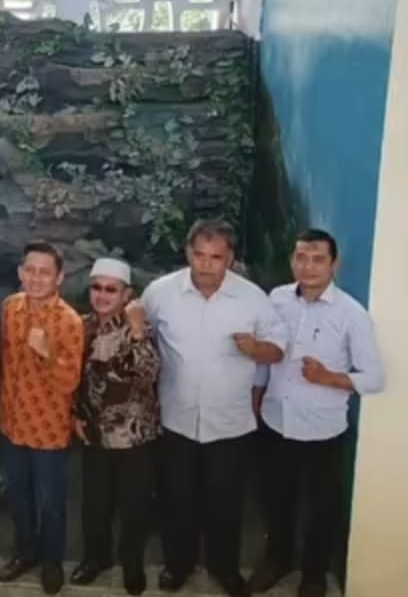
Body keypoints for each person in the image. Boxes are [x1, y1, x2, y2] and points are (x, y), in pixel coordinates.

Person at [134, 219, 287, 597]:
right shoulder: (161, 293)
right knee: (176, 499)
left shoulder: (253, 299)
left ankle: (224, 569)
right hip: (175, 419)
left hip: (230, 423)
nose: (205, 264)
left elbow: (278, 349)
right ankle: (178, 565)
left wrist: (257, 349)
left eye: (216, 257)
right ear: (188, 252)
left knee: (226, 504)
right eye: (199, 255)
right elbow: (141, 334)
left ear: (230, 258)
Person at [248, 230, 384, 597]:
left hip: (322, 431)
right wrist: (256, 399)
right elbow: (265, 359)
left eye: (318, 259)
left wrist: (328, 378)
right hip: (275, 422)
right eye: (301, 258)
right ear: (292, 260)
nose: (308, 267)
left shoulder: (351, 314)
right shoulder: (276, 300)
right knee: (276, 500)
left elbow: (374, 378)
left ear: (334, 264)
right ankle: (277, 560)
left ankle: (313, 574)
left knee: (322, 510)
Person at [0, 242, 84, 594]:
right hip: (11, 423)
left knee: (51, 503)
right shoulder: (10, 308)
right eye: (30, 270)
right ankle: (24, 553)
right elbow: (2, 365)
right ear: (20, 272)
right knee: (18, 497)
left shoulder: (69, 321)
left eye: (45, 272)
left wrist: (46, 354)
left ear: (59, 277)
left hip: (48, 429)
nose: (36, 278)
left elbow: (69, 382)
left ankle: (52, 562)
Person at [70, 258, 160, 596]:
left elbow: (148, 373)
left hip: (133, 438)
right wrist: (74, 414)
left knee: (134, 507)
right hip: (93, 435)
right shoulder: (82, 326)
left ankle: (132, 566)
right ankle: (96, 559)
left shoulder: (138, 327)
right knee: (95, 505)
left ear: (127, 294)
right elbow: (74, 379)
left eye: (111, 289)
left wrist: (136, 331)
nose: (103, 295)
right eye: (97, 287)